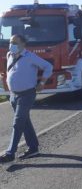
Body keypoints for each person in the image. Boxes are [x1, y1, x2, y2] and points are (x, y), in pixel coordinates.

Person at [0, 34, 53, 163]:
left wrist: (42, 83)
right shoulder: (9, 55)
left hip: (27, 94)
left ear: (23, 44)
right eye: (11, 42)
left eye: (15, 42)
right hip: (13, 95)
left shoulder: (30, 57)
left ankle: (10, 153)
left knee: (18, 123)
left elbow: (48, 66)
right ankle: (33, 148)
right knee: (25, 122)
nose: (11, 45)